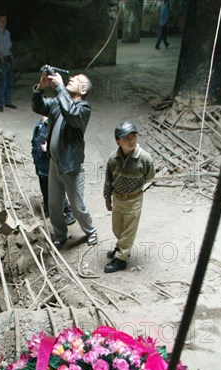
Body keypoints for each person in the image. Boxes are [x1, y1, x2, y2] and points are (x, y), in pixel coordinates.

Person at [31, 71, 97, 250]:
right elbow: (38, 106)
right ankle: (60, 235)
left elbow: (71, 113)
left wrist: (60, 87)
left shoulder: (83, 109)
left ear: (83, 90)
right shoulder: (59, 103)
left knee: (77, 205)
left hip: (70, 167)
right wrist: (41, 87)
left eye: (75, 80)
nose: (70, 79)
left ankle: (90, 231)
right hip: (54, 163)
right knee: (53, 204)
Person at [103, 121, 155, 273]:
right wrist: (107, 198)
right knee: (118, 228)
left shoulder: (145, 158)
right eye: (126, 138)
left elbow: (149, 176)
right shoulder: (113, 159)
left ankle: (121, 259)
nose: (131, 141)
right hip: (118, 198)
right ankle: (121, 247)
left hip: (133, 200)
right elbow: (108, 181)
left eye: (133, 136)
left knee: (129, 231)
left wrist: (135, 188)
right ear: (118, 141)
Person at [31, 115, 75, 224]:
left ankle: (68, 211)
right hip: (40, 165)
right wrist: (34, 158)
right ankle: (48, 210)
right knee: (45, 191)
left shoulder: (53, 127)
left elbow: (60, 146)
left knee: (57, 192)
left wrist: (48, 149)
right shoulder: (38, 126)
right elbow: (34, 143)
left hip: (49, 166)